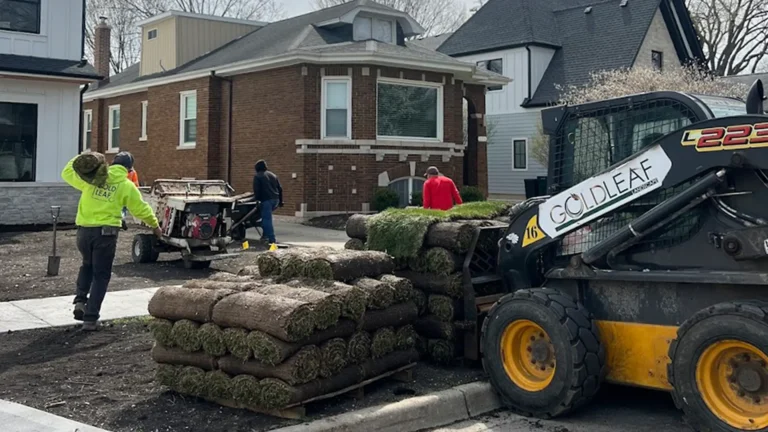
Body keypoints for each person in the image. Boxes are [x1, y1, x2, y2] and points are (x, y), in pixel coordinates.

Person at [62, 151, 161, 331]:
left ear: (112, 164)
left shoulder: (92, 179)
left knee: (87, 265)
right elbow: (141, 209)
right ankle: (91, 319)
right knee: (101, 275)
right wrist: (155, 225)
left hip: (83, 232)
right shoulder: (125, 185)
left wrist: (84, 156)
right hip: (105, 235)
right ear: (129, 170)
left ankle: (80, 301)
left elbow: (67, 172)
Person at [252, 159, 283, 245]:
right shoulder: (273, 175)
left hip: (266, 200)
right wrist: (281, 201)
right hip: (275, 199)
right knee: (266, 218)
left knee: (266, 219)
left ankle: (271, 238)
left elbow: (256, 190)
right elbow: (280, 188)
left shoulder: (258, 176)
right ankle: (265, 235)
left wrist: (257, 200)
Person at [122, 164, 140, 229]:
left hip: (120, 191)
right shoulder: (133, 172)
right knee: (124, 208)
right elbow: (136, 183)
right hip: (128, 192)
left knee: (120, 207)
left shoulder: (121, 172)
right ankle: (122, 218)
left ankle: (121, 218)